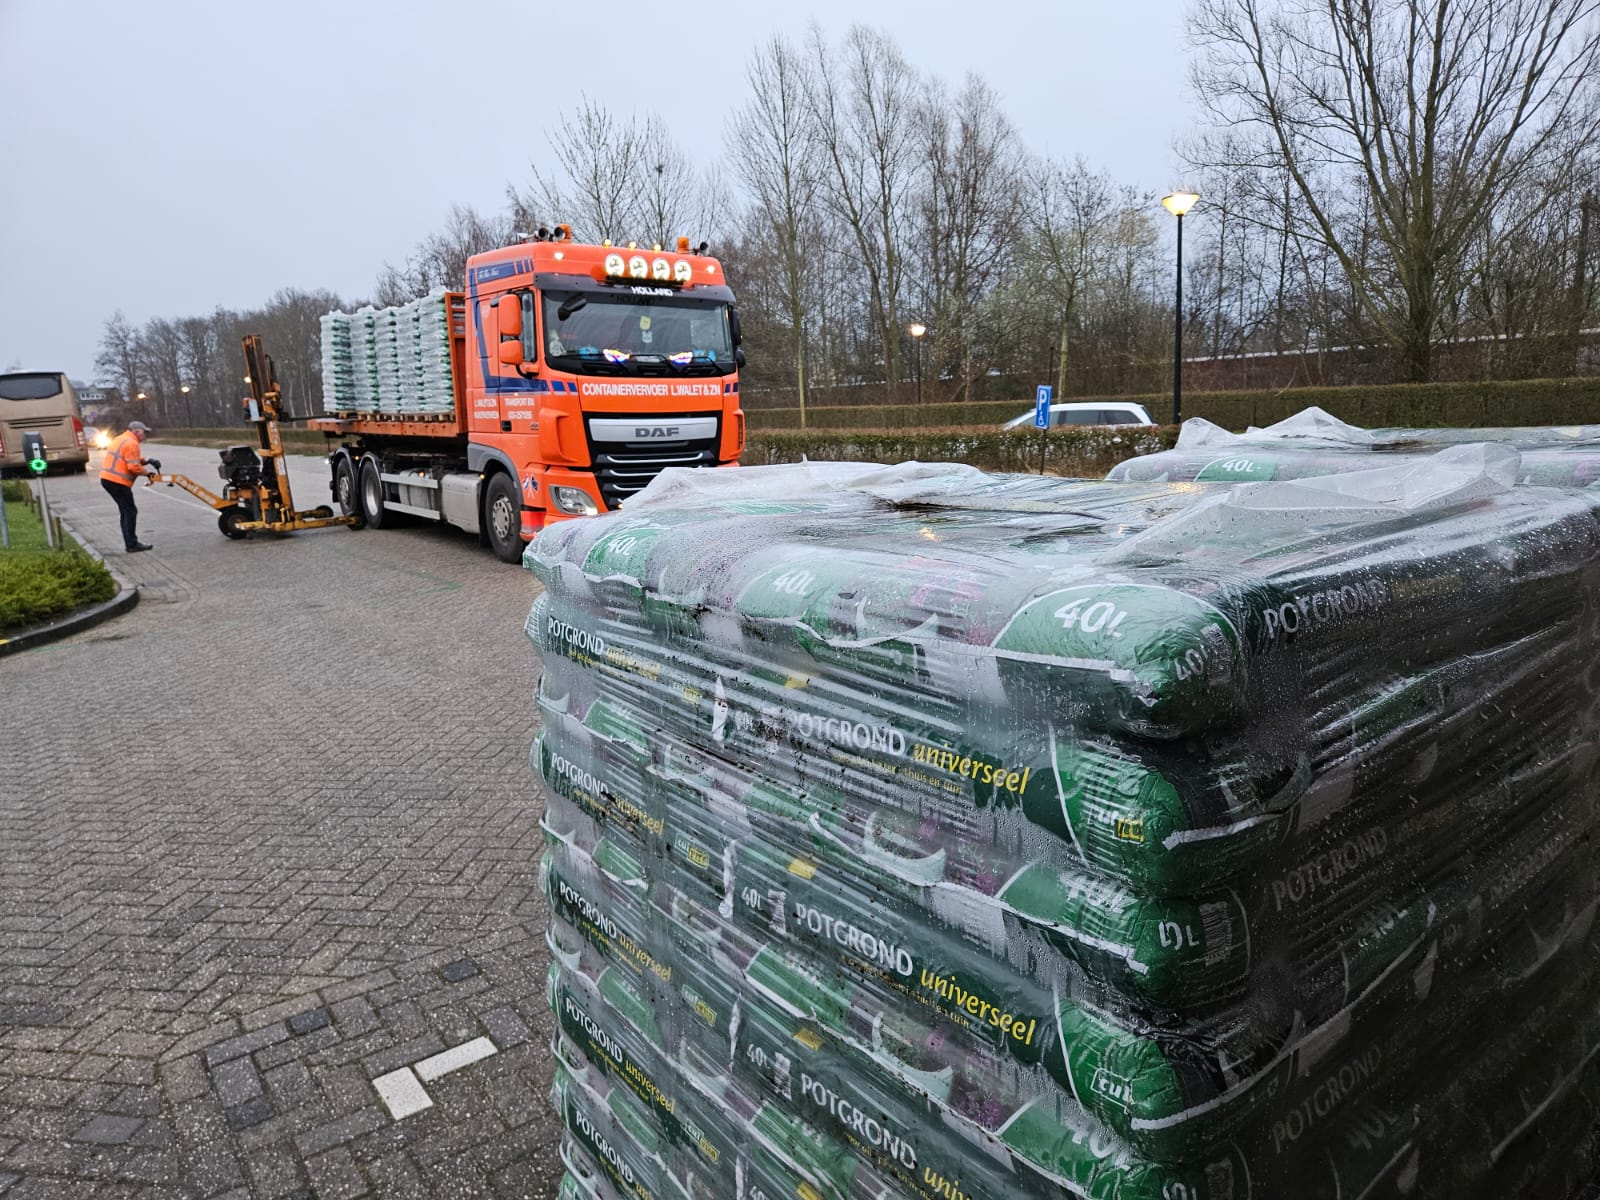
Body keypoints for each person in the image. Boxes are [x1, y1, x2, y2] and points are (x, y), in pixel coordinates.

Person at [99, 421, 160, 552]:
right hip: (117, 482)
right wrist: (148, 473)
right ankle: (132, 544)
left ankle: (130, 542)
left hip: (108, 479)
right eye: (144, 432)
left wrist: (147, 460)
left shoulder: (120, 439)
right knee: (130, 511)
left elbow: (129, 459)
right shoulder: (132, 443)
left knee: (125, 511)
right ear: (137, 431)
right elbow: (133, 467)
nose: (145, 435)